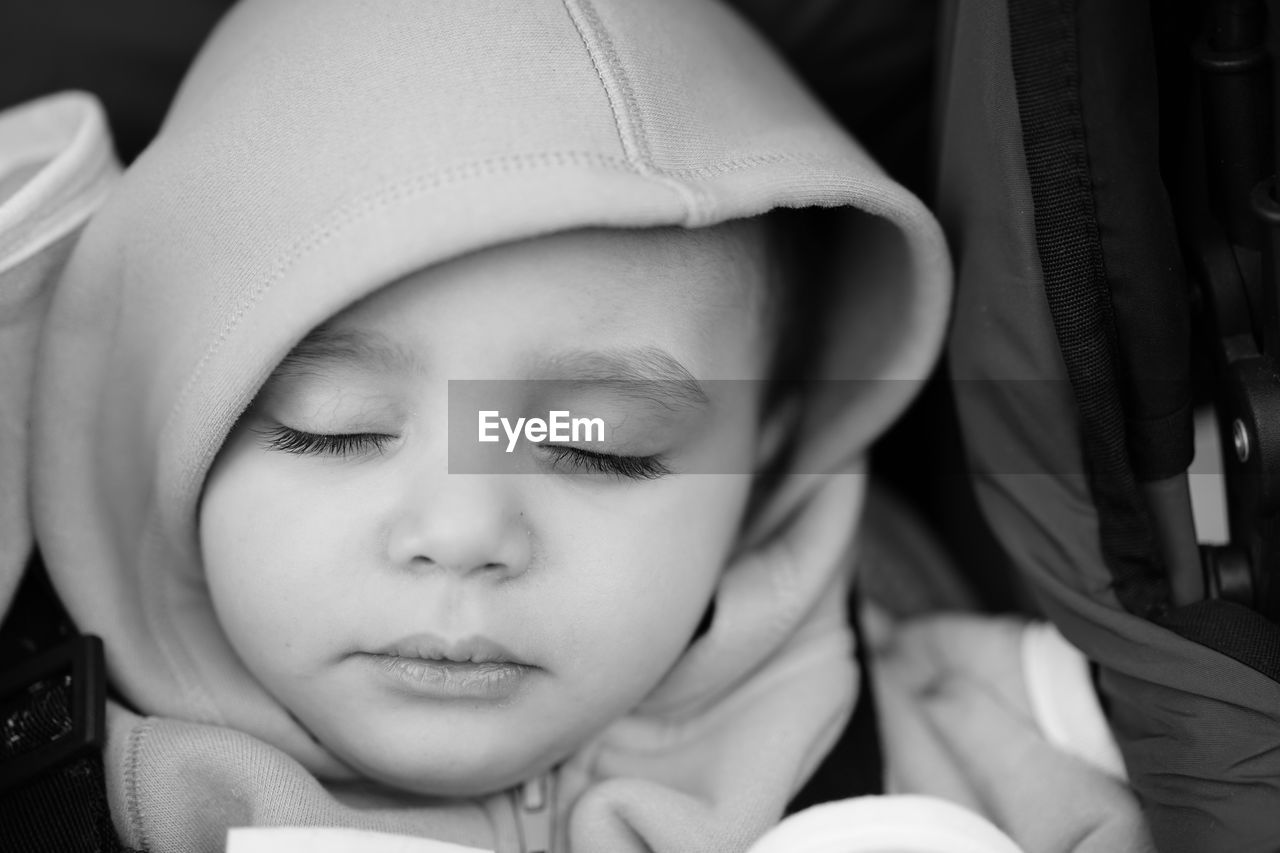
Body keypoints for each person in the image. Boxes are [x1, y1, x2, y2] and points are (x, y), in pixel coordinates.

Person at [17, 0, 1087, 850]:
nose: (464, 529)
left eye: (596, 444)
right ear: (161, 439)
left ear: (761, 468)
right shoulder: (75, 793)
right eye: (330, 427)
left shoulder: (981, 736)